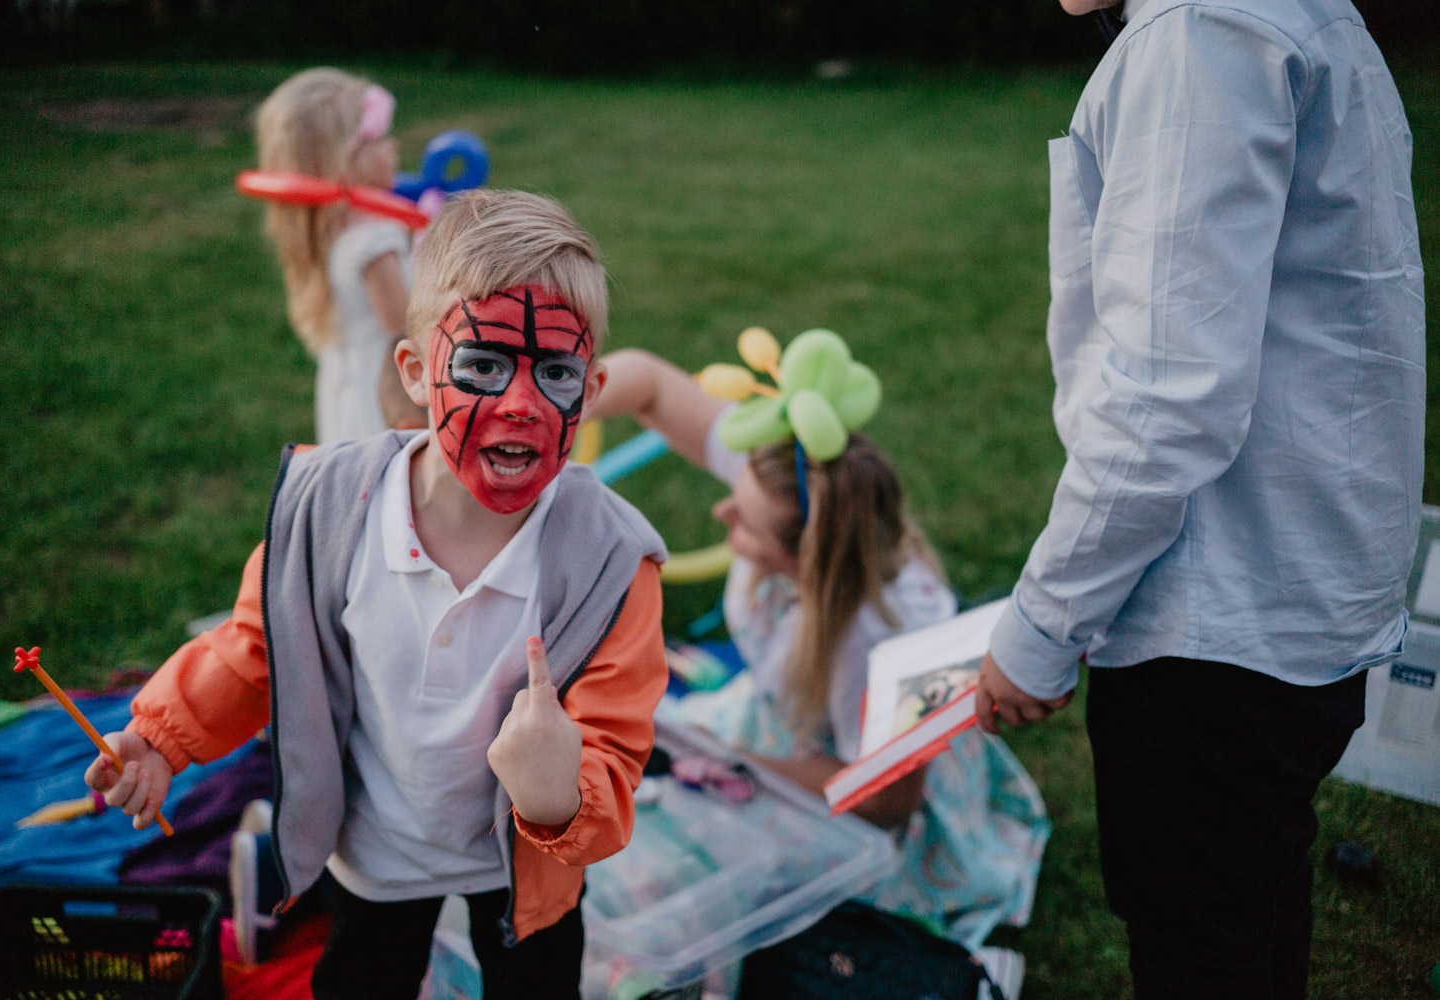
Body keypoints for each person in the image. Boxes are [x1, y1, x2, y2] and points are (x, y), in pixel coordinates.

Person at [85, 190, 670, 1000]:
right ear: (414, 373)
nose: (520, 404)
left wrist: (556, 787)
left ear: (593, 387)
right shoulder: (331, 513)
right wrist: (159, 735)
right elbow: (258, 648)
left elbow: (616, 749)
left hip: (525, 869)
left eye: (557, 372)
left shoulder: (611, 562)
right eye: (484, 366)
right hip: (374, 851)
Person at [975, 1, 1425, 996]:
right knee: (1252, 907)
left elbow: (1168, 394)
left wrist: (1043, 624)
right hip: (1291, 604)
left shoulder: (1199, 31)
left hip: (1220, 627)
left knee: (1201, 942)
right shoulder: (1294, 16)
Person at [594, 345, 1049, 946]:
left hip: (859, 792)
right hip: (792, 729)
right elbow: (646, 381)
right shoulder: (795, 478)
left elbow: (885, 804)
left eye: (745, 524)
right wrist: (545, 415)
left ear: (806, 559)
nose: (722, 508)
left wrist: (737, 762)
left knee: (681, 871)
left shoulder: (880, 641)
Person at [255, 67, 426, 443]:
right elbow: (407, 329)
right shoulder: (374, 239)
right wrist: (431, 243)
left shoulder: (323, 228)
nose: (393, 145)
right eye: (380, 137)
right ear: (345, 160)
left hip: (345, 384)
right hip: (385, 394)